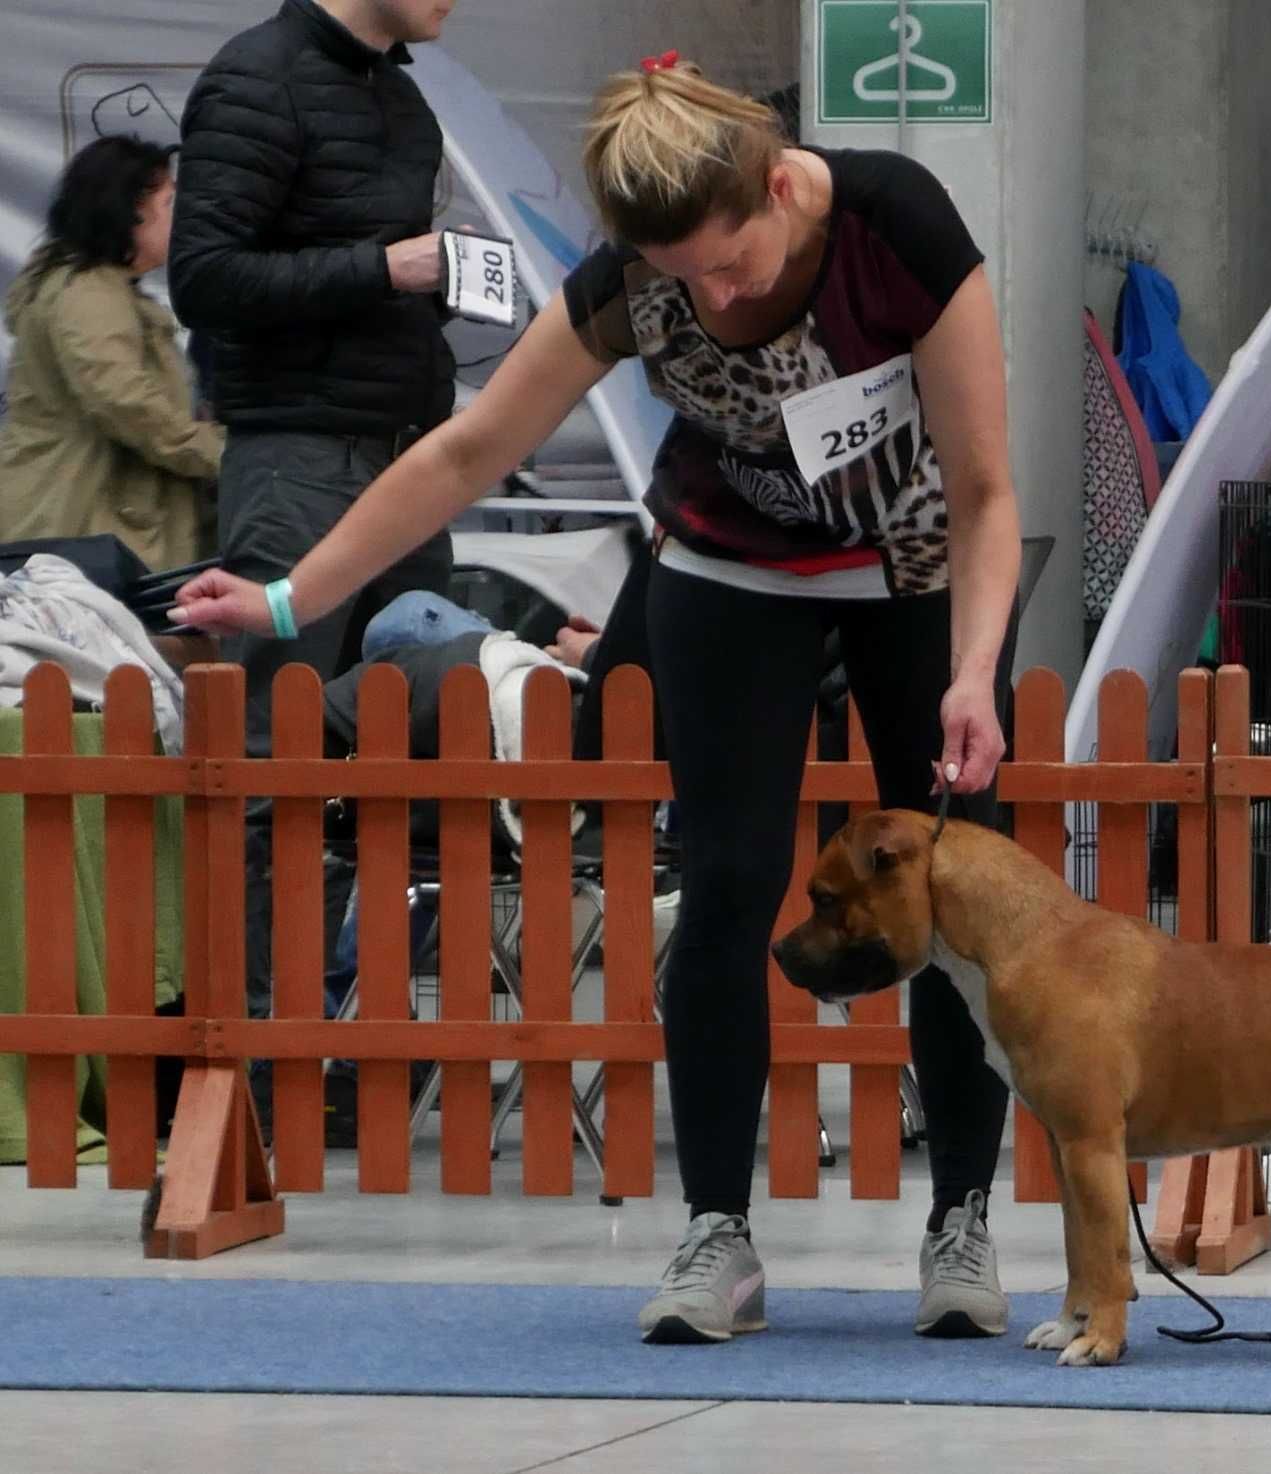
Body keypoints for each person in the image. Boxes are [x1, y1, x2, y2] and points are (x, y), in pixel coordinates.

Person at [171, 56, 1024, 1344]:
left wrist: (972, 669)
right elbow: (466, 449)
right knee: (731, 884)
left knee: (952, 895)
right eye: (683, 278)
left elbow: (984, 490)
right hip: (727, 571)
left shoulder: (893, 221)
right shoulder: (630, 283)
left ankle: (960, 1215)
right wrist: (293, 600)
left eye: (729, 263)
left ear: (780, 182)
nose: (714, 295)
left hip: (911, 570)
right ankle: (716, 1233)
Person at [167, 0, 461, 1033]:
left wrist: (434, 291)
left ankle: (343, 1034)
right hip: (298, 459)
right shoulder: (258, 77)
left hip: (408, 460)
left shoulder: (407, 100)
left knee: (401, 757)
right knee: (271, 757)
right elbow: (202, 278)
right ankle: (251, 1048)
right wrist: (384, 267)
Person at [0, 136, 221, 570]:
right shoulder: (86, 295)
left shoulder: (96, 289)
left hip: (89, 522)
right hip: (83, 524)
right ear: (130, 210)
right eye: (169, 203)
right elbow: (127, 403)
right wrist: (222, 454)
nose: (180, 219)